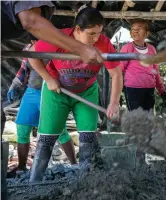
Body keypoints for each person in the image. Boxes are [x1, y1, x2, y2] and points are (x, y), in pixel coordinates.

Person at [1, 1, 104, 199]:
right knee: (25, 126)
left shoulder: (53, 31)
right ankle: (26, 171)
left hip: (57, 90)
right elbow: (30, 26)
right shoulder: (49, 38)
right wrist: (18, 83)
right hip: (36, 89)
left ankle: (75, 165)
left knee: (60, 131)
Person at [28, 4, 123, 182]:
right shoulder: (59, 38)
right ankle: (35, 181)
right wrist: (48, 78)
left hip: (86, 92)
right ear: (78, 29)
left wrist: (114, 102)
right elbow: (32, 55)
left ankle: (86, 182)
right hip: (57, 91)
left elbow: (116, 73)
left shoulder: (103, 43)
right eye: (91, 33)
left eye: (98, 33)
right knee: (47, 138)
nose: (96, 38)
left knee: (88, 136)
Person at [6, 41, 77, 178]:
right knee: (22, 127)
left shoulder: (58, 47)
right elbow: (23, 69)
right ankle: (22, 168)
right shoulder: (28, 47)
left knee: (59, 129)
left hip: (51, 91)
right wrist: (14, 85)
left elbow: (67, 70)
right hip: (31, 91)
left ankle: (75, 164)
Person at [120, 18, 166, 112]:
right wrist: (117, 93)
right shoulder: (127, 48)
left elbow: (156, 72)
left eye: (139, 28)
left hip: (149, 90)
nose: (135, 31)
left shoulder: (152, 49)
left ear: (147, 33)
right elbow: (119, 71)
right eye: (133, 29)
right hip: (132, 90)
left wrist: (162, 91)